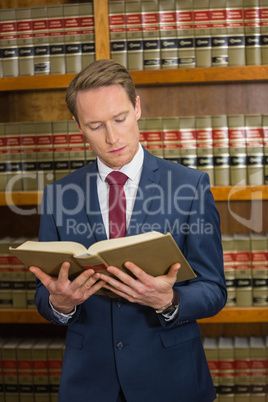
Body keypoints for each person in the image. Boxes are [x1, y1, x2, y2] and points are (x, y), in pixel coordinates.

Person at [30, 59, 227, 402]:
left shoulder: (190, 186)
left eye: (119, 119)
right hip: (89, 383)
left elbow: (214, 289)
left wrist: (169, 301)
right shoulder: (58, 196)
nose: (112, 137)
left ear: (137, 108)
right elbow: (43, 295)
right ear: (78, 126)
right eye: (95, 125)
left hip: (172, 378)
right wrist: (59, 304)